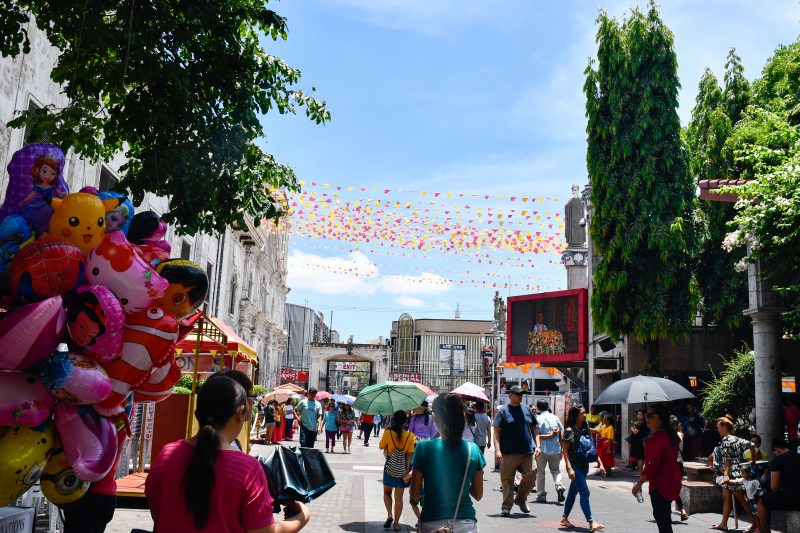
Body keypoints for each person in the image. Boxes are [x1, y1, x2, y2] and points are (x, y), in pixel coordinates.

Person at [145, 376, 310, 533]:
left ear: (197, 413)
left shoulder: (167, 455)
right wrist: (302, 517)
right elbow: (263, 531)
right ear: (240, 412)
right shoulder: (248, 469)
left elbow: (157, 514)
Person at [411, 394, 485, 533]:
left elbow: (415, 494)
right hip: (466, 523)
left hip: (432, 522)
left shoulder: (423, 448)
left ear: (435, 417)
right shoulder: (473, 450)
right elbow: (478, 494)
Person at [631, 403, 682, 533]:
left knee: (662, 521)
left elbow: (652, 466)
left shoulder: (658, 438)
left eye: (650, 416)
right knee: (665, 520)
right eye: (646, 416)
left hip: (660, 484)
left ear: (661, 417)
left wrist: (639, 484)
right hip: (672, 480)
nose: (647, 419)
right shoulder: (670, 435)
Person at [492, 385, 539, 516]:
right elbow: (496, 432)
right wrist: (497, 450)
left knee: (532, 472)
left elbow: (534, 428)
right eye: (517, 394)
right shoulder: (503, 411)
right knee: (507, 480)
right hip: (508, 453)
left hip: (527, 452)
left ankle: (520, 499)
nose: (520, 397)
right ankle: (506, 506)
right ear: (510, 395)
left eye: (521, 394)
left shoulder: (527, 409)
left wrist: (538, 445)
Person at [561, 404, 605, 531]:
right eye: (582, 413)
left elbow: (592, 448)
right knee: (585, 492)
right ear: (576, 415)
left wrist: (600, 463)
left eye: (585, 412)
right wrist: (569, 468)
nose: (585, 415)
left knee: (572, 493)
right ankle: (591, 522)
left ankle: (564, 518)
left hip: (584, 466)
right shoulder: (569, 431)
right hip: (575, 467)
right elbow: (565, 451)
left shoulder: (586, 428)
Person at [709, 415, 756, 532]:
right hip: (737, 470)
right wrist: (753, 461)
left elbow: (727, 460)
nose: (718, 429)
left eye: (718, 427)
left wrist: (726, 474)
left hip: (731, 473)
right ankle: (724, 523)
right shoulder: (737, 438)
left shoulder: (726, 440)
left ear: (724, 427)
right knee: (729, 498)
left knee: (741, 498)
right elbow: (752, 445)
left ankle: (755, 522)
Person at [378, 410, 416, 531]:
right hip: (402, 470)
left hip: (390, 467)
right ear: (405, 421)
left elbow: (381, 446)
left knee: (387, 492)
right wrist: (406, 472)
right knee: (399, 497)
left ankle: (389, 514)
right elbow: (409, 455)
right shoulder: (410, 436)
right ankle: (396, 524)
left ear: (393, 420)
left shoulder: (388, 433)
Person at [757, 438, 800, 533]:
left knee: (761, 501)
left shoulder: (777, 460)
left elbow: (774, 487)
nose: (775, 454)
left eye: (775, 453)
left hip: (792, 499)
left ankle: (766, 531)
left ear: (777, 449)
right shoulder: (798, 456)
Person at [534, 400, 565, 504]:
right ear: (548, 407)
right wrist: (562, 449)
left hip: (542, 449)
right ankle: (559, 485)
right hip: (556, 448)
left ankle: (541, 495)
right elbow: (561, 433)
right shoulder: (555, 417)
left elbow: (536, 435)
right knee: (556, 470)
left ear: (538, 408)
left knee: (540, 472)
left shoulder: (538, 418)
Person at [671, 416, 689, 521]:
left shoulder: (667, 435)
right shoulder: (680, 434)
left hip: (671, 463)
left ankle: (681, 509)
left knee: (669, 486)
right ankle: (682, 509)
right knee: (675, 487)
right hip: (679, 462)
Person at [740, 465, 761, 533]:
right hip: (751, 501)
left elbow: (759, 490)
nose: (742, 474)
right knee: (754, 515)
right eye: (741, 473)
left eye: (743, 473)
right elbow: (736, 481)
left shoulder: (755, 481)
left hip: (756, 501)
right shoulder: (744, 480)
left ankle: (759, 528)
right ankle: (757, 528)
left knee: (758, 515)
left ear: (749, 473)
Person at [597, 412, 616, 476]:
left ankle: (608, 472)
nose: (603, 419)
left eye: (604, 419)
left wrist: (609, 449)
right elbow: (597, 431)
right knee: (603, 458)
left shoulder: (610, 428)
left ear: (608, 421)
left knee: (608, 459)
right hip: (603, 444)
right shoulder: (604, 426)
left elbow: (610, 439)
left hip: (608, 445)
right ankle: (604, 471)